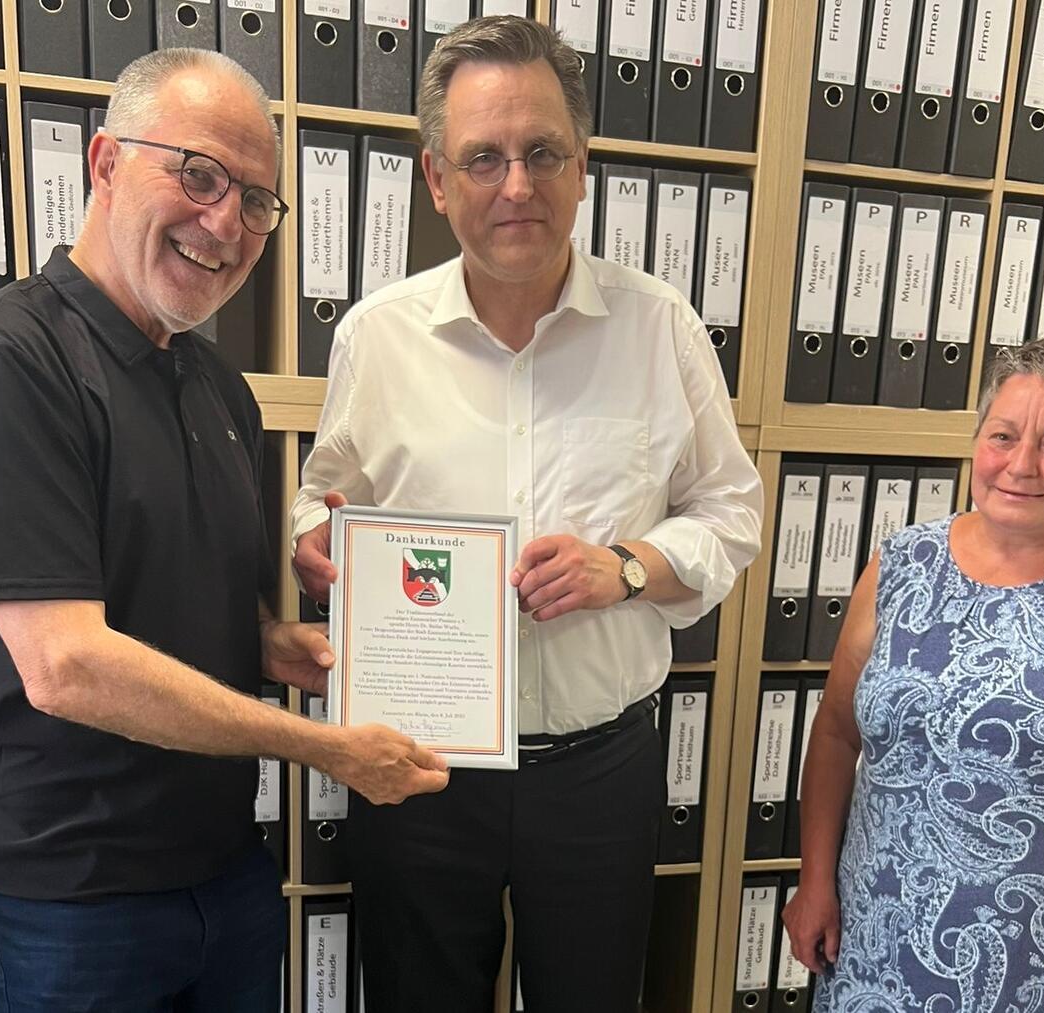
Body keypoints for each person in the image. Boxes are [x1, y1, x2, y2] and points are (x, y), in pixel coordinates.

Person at [0, 48, 447, 1012]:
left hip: (223, 865)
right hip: (68, 890)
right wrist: (324, 750)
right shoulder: (1, 359)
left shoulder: (221, 392)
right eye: (199, 175)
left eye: (255, 200)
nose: (225, 222)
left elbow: (183, 606)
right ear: (107, 161)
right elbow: (65, 664)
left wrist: (280, 647)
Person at [291, 15, 764, 1012]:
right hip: (421, 768)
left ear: (583, 165)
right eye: (484, 158)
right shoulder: (376, 337)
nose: (517, 186)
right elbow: (321, 495)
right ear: (436, 178)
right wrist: (315, 542)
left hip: (600, 769)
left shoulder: (661, 327)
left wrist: (626, 567)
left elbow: (732, 513)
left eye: (543, 152)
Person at [783, 335, 1044, 1012]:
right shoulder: (903, 562)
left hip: (1040, 945)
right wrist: (815, 878)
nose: (1022, 464)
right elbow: (833, 733)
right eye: (1003, 435)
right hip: (877, 935)